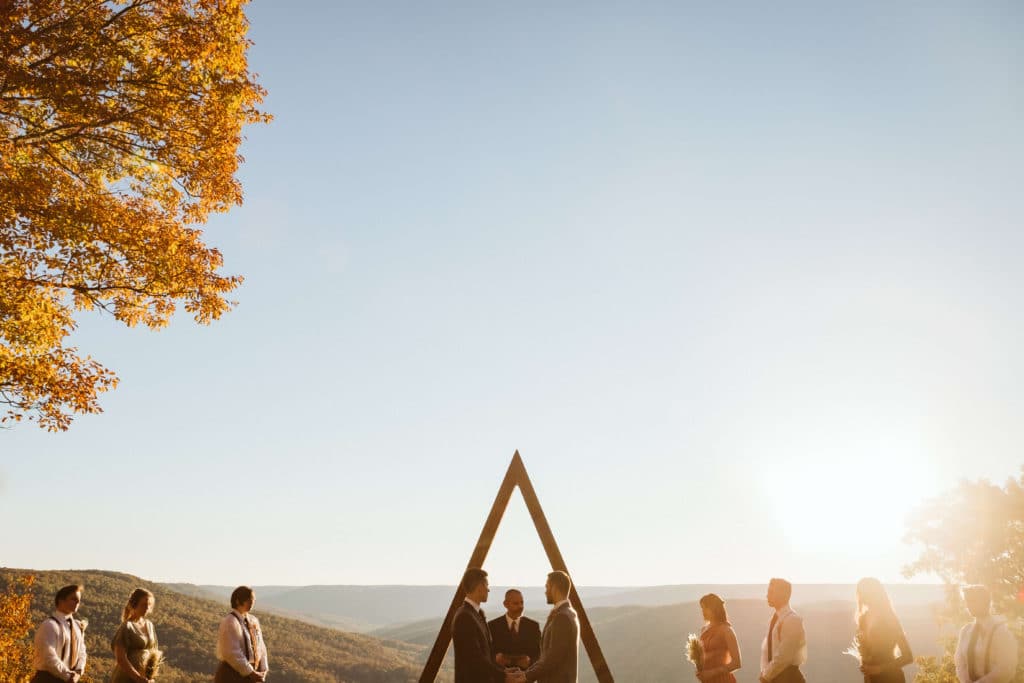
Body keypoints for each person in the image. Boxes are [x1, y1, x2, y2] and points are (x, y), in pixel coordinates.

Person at [509, 570, 580, 683]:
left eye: (547, 587)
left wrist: (526, 676)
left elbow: (553, 658)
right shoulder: (567, 613)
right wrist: (525, 673)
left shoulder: (562, 617)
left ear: (554, 588)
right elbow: (546, 657)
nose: (545, 592)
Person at [954, 585, 1018, 683]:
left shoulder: (1001, 632)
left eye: (973, 601)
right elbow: (959, 662)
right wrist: (965, 681)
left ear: (985, 602)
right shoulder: (965, 631)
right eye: (967, 601)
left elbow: (1006, 667)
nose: (968, 605)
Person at [452, 567, 506, 683]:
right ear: (480, 587)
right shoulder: (464, 617)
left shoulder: (478, 613)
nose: (488, 590)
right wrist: (504, 676)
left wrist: (504, 671)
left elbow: (488, 653)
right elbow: (475, 658)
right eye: (487, 585)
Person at [854, 578, 913, 683]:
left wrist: (879, 669)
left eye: (864, 592)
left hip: (892, 678)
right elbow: (865, 652)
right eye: (860, 593)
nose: (862, 597)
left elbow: (908, 656)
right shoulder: (863, 618)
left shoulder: (889, 617)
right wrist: (866, 670)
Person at [32, 584, 87, 683]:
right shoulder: (49, 625)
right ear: (61, 600)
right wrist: (68, 676)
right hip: (47, 679)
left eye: (79, 600)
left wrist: (78, 672)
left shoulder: (77, 626)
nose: (78, 602)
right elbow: (48, 657)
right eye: (73, 599)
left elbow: (82, 652)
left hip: (70, 679)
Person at [215, 586, 269, 683]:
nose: (252, 602)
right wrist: (250, 672)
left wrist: (263, 670)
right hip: (232, 675)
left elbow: (261, 648)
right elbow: (231, 652)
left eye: (253, 600)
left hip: (252, 674)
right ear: (238, 601)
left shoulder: (253, 621)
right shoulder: (230, 621)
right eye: (249, 600)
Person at [759, 578, 806, 683]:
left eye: (771, 592)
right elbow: (767, 651)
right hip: (774, 677)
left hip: (788, 678)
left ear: (782, 594)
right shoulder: (773, 619)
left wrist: (766, 675)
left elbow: (784, 656)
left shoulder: (792, 620)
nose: (767, 596)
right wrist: (764, 673)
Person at [110, 588, 160, 683]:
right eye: (143, 605)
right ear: (134, 604)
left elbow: (154, 655)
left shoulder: (150, 625)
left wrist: (151, 677)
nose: (147, 608)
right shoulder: (127, 626)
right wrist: (137, 678)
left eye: (149, 605)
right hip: (126, 678)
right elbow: (120, 658)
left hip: (145, 679)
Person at [489, 589, 541, 670]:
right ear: (505, 604)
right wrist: (496, 659)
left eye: (522, 603)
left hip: (526, 678)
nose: (520, 606)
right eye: (516, 603)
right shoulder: (492, 626)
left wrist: (530, 662)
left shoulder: (533, 626)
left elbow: (538, 654)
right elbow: (488, 654)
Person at [696, 593, 742, 682]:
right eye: (702, 608)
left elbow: (737, 663)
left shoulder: (726, 630)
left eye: (705, 608)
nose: (703, 611)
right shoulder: (704, 630)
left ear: (714, 609)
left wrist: (712, 673)